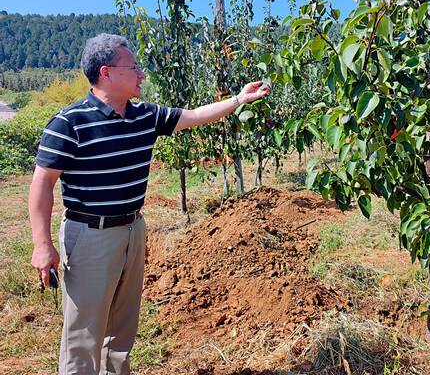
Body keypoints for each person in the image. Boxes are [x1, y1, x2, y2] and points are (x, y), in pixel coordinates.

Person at [29, 33, 269, 375]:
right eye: (135, 67)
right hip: (90, 236)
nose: (142, 74)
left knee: (122, 332)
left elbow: (195, 116)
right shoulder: (69, 122)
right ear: (107, 72)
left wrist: (239, 100)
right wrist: (42, 244)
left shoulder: (144, 115)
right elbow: (42, 183)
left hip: (132, 230)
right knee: (83, 335)